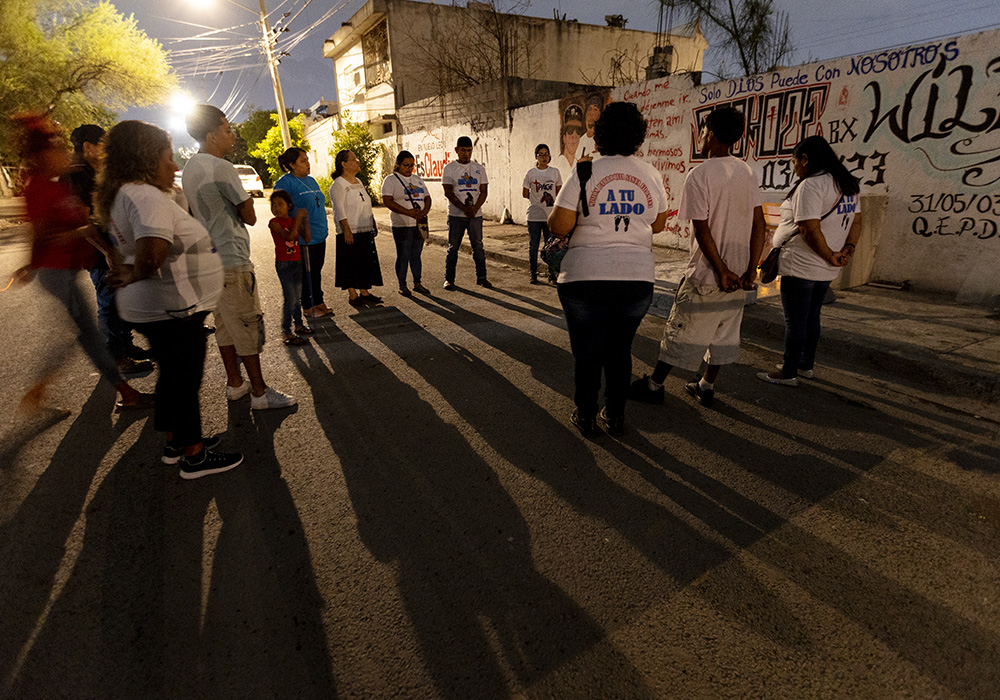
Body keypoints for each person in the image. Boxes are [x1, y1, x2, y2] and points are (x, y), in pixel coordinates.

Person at [97, 120, 243, 479]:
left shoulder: (126, 192)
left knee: (172, 376)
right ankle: (193, 457)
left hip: (156, 306)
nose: (174, 166)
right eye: (167, 157)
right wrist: (134, 271)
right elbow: (151, 253)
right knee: (184, 379)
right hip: (171, 307)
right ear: (146, 159)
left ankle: (176, 441)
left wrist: (122, 265)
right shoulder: (144, 196)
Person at [13, 113, 152, 416]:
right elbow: (44, 235)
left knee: (77, 336)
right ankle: (125, 392)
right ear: (43, 156)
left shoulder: (57, 184)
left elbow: (85, 225)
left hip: (67, 270)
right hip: (55, 272)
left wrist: (105, 249)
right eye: (57, 149)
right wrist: (31, 264)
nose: (64, 154)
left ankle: (38, 393)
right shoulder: (39, 187)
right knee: (84, 335)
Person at [630, 106, 766, 408]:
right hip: (739, 276)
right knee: (723, 332)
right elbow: (760, 224)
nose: (700, 136)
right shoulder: (747, 172)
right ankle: (706, 384)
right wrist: (749, 269)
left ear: (711, 133)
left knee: (681, 330)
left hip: (708, 274)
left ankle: (654, 385)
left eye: (703, 131)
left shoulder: (699, 175)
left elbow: (703, 231)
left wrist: (720, 270)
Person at [547, 102, 669, 436]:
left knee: (587, 352)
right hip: (635, 280)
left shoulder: (585, 170)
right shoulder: (651, 174)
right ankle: (614, 413)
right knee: (619, 350)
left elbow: (559, 226)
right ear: (638, 137)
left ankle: (585, 414)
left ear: (599, 135)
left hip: (584, 278)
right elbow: (658, 224)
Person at [183, 104, 296, 410]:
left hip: (210, 258)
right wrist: (234, 207)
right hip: (232, 257)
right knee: (246, 325)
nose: (232, 135)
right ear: (211, 135)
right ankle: (259, 392)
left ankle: (235, 383)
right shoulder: (221, 168)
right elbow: (250, 215)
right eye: (227, 129)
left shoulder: (191, 168)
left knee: (224, 326)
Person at [756, 135, 862, 387]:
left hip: (802, 263)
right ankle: (805, 365)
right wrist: (846, 250)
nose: (794, 168)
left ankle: (789, 372)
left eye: (794, 162)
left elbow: (809, 229)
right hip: (827, 266)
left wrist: (829, 254)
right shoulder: (847, 183)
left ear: (805, 159)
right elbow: (856, 222)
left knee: (795, 320)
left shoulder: (811, 185)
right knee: (812, 316)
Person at [61, 124, 154, 376]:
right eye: (103, 144)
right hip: (96, 250)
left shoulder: (98, 170)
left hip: (114, 245)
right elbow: (83, 221)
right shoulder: (74, 176)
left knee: (123, 295)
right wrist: (107, 252)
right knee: (109, 301)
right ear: (88, 147)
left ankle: (125, 346)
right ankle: (117, 358)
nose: (107, 149)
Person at [274, 147, 332, 318]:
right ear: (291, 164)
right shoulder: (285, 183)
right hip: (303, 237)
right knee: (306, 272)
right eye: (303, 161)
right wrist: (295, 223)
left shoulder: (311, 180)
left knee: (316, 270)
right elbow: (278, 209)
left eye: (307, 159)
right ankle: (308, 306)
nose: (308, 163)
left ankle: (319, 302)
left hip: (319, 234)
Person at [329, 149, 383, 308]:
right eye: (353, 159)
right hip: (350, 231)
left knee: (364, 261)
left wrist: (372, 221)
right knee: (350, 262)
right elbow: (339, 208)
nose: (357, 161)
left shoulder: (358, 181)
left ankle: (364, 292)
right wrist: (346, 228)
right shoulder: (338, 184)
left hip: (364, 228)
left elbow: (365, 203)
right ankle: (353, 295)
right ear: (344, 164)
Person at [441, 136, 491, 289]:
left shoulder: (479, 169)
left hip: (475, 216)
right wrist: (463, 208)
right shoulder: (449, 169)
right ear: (456, 150)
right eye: (463, 150)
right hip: (456, 216)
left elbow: (483, 191)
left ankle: (482, 277)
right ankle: (449, 279)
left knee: (478, 246)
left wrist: (474, 209)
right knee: (453, 247)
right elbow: (448, 192)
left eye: (469, 150)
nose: (466, 154)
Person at [381, 150, 431, 296]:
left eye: (411, 165)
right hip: (402, 224)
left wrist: (424, 211)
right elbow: (387, 201)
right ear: (398, 164)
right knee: (403, 254)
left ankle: (417, 282)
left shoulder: (417, 179)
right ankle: (402, 284)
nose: (409, 168)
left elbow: (427, 197)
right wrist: (407, 212)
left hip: (419, 223)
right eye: (406, 165)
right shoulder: (391, 180)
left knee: (416, 254)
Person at [268, 189, 314, 345]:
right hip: (284, 264)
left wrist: (304, 220)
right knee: (290, 298)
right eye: (273, 205)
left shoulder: (293, 220)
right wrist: (297, 220)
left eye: (280, 204)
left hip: (297, 261)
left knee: (297, 297)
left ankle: (299, 325)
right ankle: (286, 331)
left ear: (289, 205)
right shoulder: (274, 223)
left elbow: (306, 238)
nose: (276, 208)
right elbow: (290, 236)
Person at [522, 143, 562, 284]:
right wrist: (537, 201)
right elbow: (525, 193)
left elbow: (559, 192)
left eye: (546, 154)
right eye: (541, 154)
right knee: (533, 246)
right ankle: (533, 274)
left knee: (550, 246)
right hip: (534, 216)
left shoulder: (555, 172)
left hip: (550, 216)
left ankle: (551, 274)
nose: (544, 157)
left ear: (550, 156)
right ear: (536, 157)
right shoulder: (531, 173)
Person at [554, 104, 585, 182]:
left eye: (578, 131)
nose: (574, 135)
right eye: (570, 130)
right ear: (564, 137)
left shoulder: (580, 164)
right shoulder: (556, 164)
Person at [577, 94, 603, 161]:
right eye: (589, 109)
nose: (591, 113)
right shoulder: (581, 141)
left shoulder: (602, 140)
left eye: (595, 109)